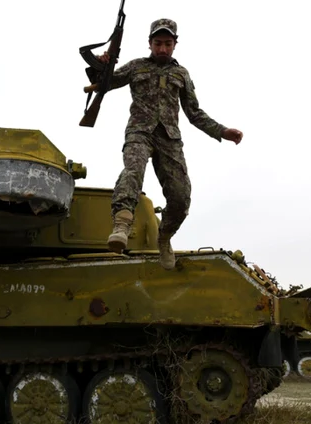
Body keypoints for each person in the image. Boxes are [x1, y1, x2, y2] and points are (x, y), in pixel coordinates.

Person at [94, 18, 243, 270]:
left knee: (181, 197)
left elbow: (194, 113)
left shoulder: (180, 74)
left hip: (170, 139)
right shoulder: (136, 67)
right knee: (133, 170)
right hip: (139, 132)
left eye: (167, 43)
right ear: (150, 43)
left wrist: (222, 131)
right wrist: (102, 64)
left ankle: (164, 238)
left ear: (175, 44)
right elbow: (103, 84)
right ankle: (121, 225)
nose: (162, 48)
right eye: (157, 43)